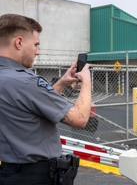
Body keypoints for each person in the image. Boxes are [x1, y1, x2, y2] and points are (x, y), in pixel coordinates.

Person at [0, 13, 92, 184]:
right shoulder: (26, 82)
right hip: (36, 176)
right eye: (35, 45)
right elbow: (79, 119)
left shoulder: (9, 79)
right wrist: (86, 81)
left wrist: (62, 82)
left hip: (9, 173)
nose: (38, 52)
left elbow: (26, 104)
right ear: (19, 42)